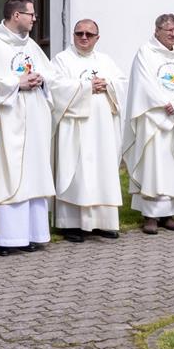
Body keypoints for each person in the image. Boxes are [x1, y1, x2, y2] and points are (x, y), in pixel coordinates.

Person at [0, 0, 55, 254]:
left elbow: (50, 74)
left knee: (34, 173)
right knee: (8, 174)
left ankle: (32, 234)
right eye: (31, 14)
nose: (35, 19)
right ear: (16, 15)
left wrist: (41, 79)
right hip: (8, 120)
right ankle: (5, 239)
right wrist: (17, 83)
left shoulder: (30, 45)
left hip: (33, 120)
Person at [122, 13, 174, 235]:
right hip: (154, 120)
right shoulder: (145, 53)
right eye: (169, 30)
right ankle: (150, 216)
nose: (173, 34)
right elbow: (144, 85)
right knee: (154, 168)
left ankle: (169, 215)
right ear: (157, 31)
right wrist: (165, 104)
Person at [50, 19, 127, 242]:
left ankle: (104, 222)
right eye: (79, 33)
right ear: (73, 35)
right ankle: (71, 224)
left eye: (89, 34)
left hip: (102, 130)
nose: (84, 37)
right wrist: (86, 87)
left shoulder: (105, 61)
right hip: (75, 129)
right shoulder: (62, 60)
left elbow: (122, 83)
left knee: (102, 172)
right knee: (77, 172)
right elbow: (55, 88)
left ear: (97, 38)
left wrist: (108, 85)